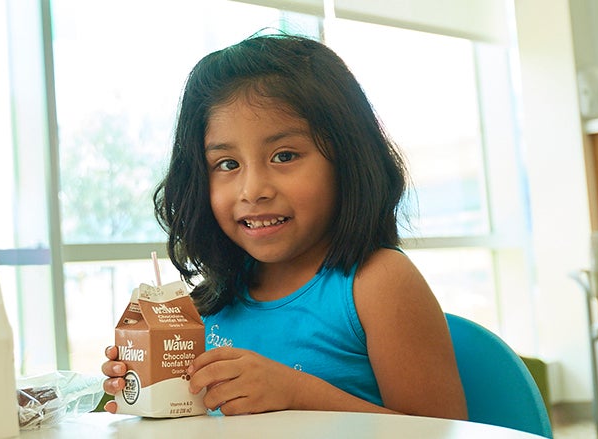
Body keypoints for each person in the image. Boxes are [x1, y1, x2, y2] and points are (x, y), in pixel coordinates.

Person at [102, 33, 467, 420]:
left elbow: (443, 432)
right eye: (227, 164)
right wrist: (147, 392)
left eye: (284, 155)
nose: (253, 190)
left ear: (348, 160)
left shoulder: (379, 283)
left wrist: (296, 393)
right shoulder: (208, 305)